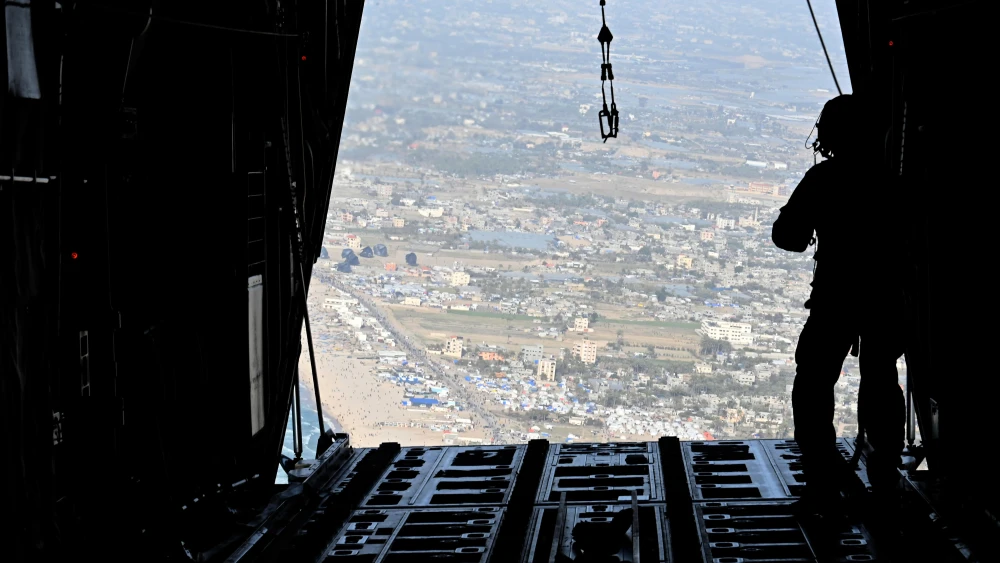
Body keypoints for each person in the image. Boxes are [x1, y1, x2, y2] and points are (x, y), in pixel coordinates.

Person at [772, 94, 906, 517]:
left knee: (812, 385)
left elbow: (788, 237)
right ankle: (886, 482)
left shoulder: (824, 179)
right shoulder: (894, 182)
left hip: (836, 299)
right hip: (886, 298)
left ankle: (821, 487)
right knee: (882, 382)